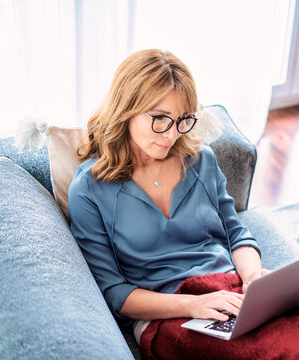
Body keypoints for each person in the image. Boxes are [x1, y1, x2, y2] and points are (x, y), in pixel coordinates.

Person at [67, 49, 269, 339]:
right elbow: (115, 293)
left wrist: (253, 278)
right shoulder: (89, 189)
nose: (172, 134)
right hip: (169, 314)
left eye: (183, 119)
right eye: (160, 118)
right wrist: (193, 305)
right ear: (126, 109)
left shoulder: (202, 160)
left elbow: (236, 234)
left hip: (229, 292)